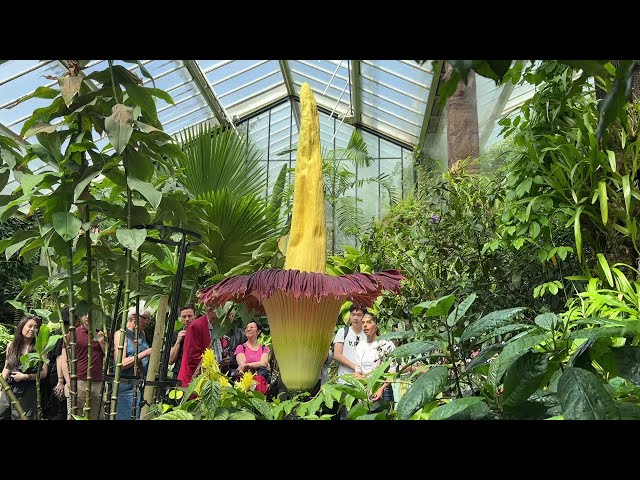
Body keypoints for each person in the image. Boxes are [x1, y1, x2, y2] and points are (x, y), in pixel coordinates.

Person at [60, 310, 106, 420]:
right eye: (85, 313)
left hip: (97, 381)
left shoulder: (102, 333)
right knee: (75, 415)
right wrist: (68, 380)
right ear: (80, 316)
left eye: (91, 314)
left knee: (98, 416)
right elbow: (64, 360)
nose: (87, 316)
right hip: (78, 380)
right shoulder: (73, 333)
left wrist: (101, 342)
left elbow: (110, 356)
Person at [0, 315, 48, 420]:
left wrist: (26, 376)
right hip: (10, 387)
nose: (32, 329)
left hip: (28, 390)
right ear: (22, 326)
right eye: (29, 326)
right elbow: (7, 367)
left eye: (36, 327)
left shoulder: (40, 348)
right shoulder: (12, 346)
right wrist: (1, 386)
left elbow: (44, 373)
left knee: (22, 416)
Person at [113, 305, 152, 420]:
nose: (147, 322)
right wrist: (145, 353)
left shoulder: (142, 334)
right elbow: (121, 363)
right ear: (135, 317)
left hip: (141, 385)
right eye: (145, 318)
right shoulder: (121, 334)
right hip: (126, 387)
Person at [178, 305, 228, 388]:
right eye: (222, 310)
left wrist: (222, 359)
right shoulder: (196, 326)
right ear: (212, 311)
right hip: (195, 381)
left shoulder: (218, 326)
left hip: (211, 379)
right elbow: (192, 357)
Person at [354, 313, 396, 406]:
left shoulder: (386, 344)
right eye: (363, 323)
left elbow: (392, 372)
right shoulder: (360, 346)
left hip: (384, 391)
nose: (365, 325)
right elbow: (358, 369)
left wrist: (380, 389)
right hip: (365, 390)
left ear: (376, 325)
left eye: (369, 322)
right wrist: (359, 377)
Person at [45, 308, 70, 420]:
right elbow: (59, 357)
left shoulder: (59, 334)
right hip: (58, 376)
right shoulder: (62, 335)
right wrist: (60, 381)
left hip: (56, 375)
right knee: (60, 410)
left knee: (57, 409)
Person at [234, 320, 270, 393]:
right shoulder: (241, 348)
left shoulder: (264, 349)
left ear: (258, 331)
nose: (248, 329)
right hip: (244, 386)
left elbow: (264, 363)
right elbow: (241, 365)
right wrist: (258, 364)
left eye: (251, 327)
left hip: (260, 387)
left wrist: (247, 365)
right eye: (247, 327)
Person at [168, 304, 196, 379]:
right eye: (184, 317)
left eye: (190, 316)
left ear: (195, 316)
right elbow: (170, 360)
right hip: (178, 375)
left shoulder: (201, 333)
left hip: (196, 375)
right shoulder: (176, 334)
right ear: (180, 318)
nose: (187, 319)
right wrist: (178, 341)